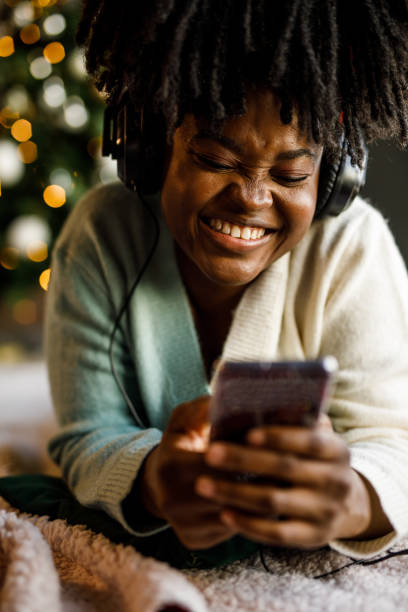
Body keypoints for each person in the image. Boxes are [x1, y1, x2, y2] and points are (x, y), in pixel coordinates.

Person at [2, 0, 408, 570]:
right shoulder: (101, 235)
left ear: (335, 174)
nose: (253, 197)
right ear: (147, 142)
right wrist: (150, 480)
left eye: (292, 174)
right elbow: (87, 435)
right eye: (216, 158)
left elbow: (395, 442)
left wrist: (355, 499)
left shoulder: (352, 248)